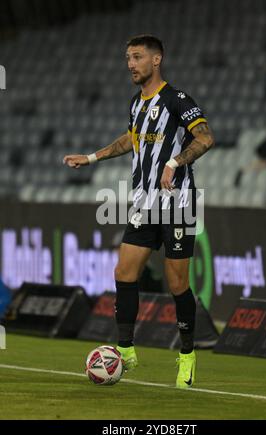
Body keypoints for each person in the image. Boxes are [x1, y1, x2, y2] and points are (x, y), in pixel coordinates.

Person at [63, 34, 214, 389]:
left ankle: (188, 357)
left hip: (177, 204)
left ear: (156, 60)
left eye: (137, 57)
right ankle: (126, 350)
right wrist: (92, 157)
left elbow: (205, 138)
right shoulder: (136, 103)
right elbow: (129, 139)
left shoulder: (178, 101)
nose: (130, 64)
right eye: (128, 58)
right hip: (144, 205)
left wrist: (175, 161)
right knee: (124, 271)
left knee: (177, 283)